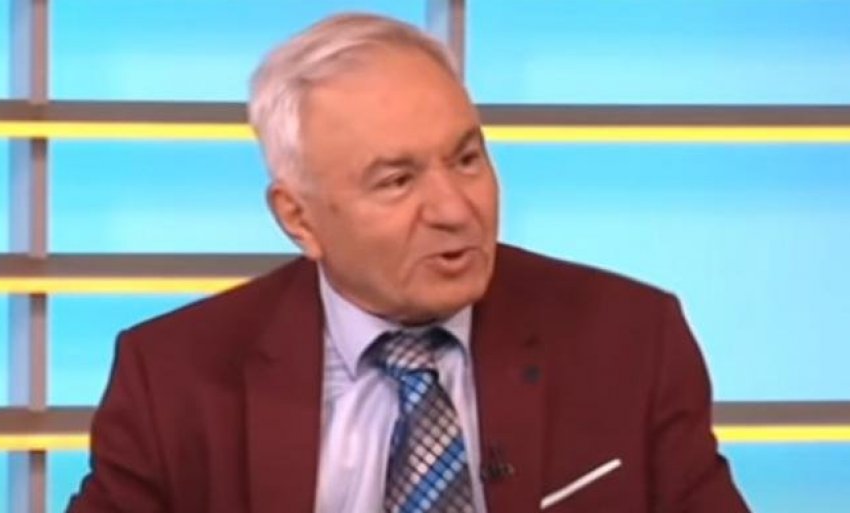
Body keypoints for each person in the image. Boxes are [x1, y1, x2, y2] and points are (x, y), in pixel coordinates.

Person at [67, 13, 750, 513]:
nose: (456, 208)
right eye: (397, 180)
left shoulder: (630, 339)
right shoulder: (175, 377)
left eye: (467, 158)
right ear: (299, 218)